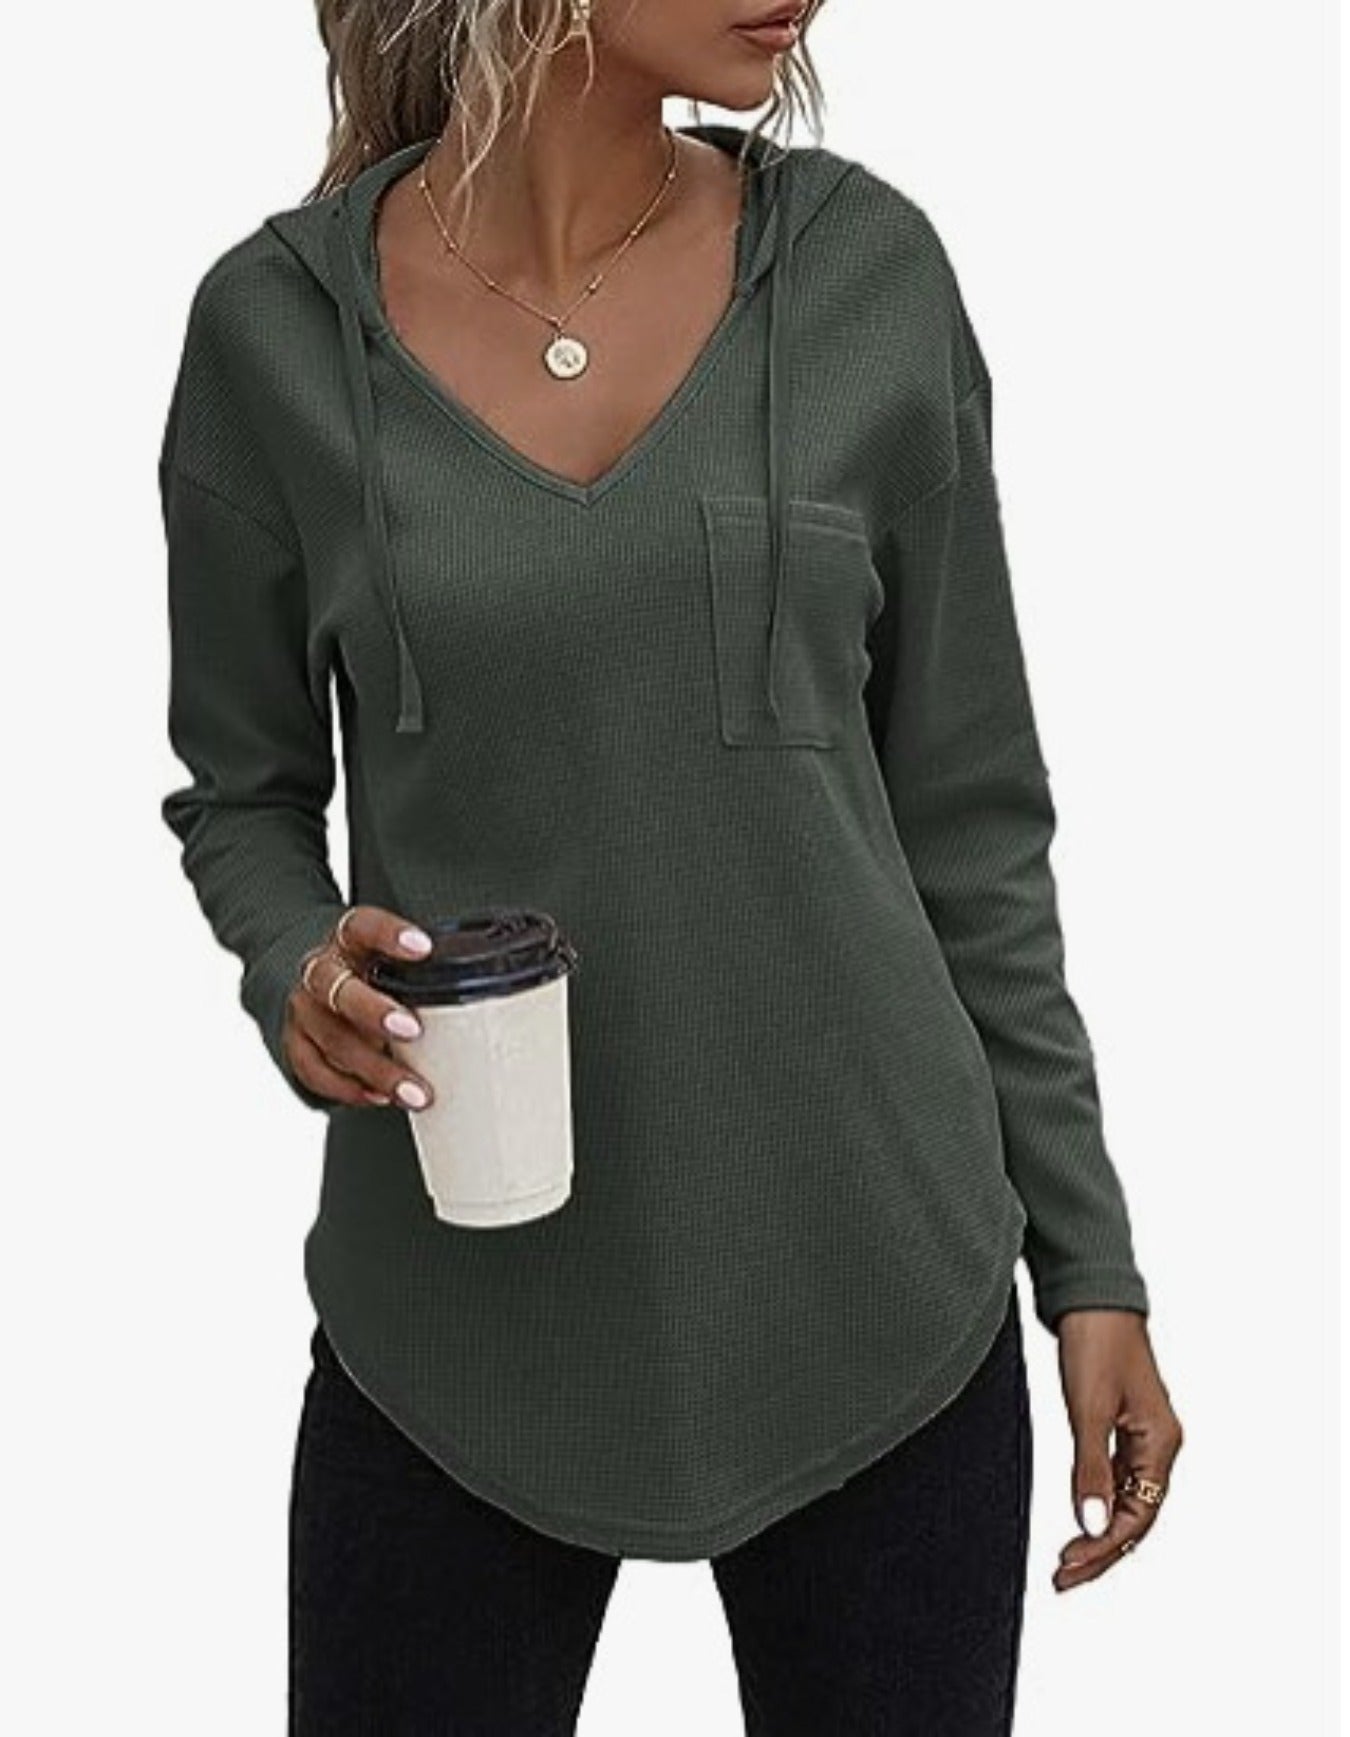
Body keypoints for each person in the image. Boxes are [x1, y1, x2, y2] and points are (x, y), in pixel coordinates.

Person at [157, 2, 1184, 1731]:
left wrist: (1087, 1266)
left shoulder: (867, 276)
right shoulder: (273, 333)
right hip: (455, 1326)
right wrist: (296, 959)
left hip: (877, 1302)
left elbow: (972, 821)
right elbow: (241, 793)